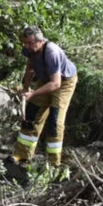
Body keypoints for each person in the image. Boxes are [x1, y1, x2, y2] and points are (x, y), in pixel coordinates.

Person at [12, 26, 78, 167]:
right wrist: (26, 88)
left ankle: (53, 164)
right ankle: (22, 157)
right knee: (31, 115)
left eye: (30, 43)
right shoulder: (29, 49)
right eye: (25, 43)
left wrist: (33, 93)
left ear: (40, 41)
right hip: (45, 79)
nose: (27, 47)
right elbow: (30, 68)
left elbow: (55, 84)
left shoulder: (51, 53)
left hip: (63, 82)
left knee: (55, 122)